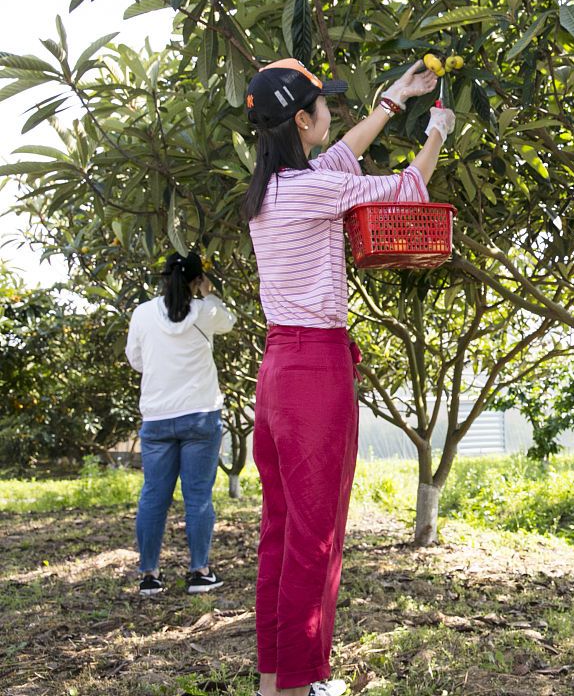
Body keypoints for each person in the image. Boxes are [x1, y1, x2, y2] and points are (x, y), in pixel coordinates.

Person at [242, 57, 453, 696]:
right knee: (317, 532)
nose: (332, 115)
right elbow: (406, 189)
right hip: (314, 371)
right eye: (324, 107)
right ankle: (301, 683)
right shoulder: (306, 191)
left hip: (280, 369)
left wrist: (393, 101)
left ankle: (275, 676)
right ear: (302, 120)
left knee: (282, 530)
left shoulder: (277, 186)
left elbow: (339, 159)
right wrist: (437, 131)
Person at [125, 251, 237, 596]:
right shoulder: (206, 311)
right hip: (200, 416)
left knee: (153, 496)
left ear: (164, 279)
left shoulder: (143, 313)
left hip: (158, 418)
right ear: (196, 281)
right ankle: (199, 571)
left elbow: (136, 360)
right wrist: (208, 292)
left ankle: (149, 575)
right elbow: (230, 321)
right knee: (198, 496)